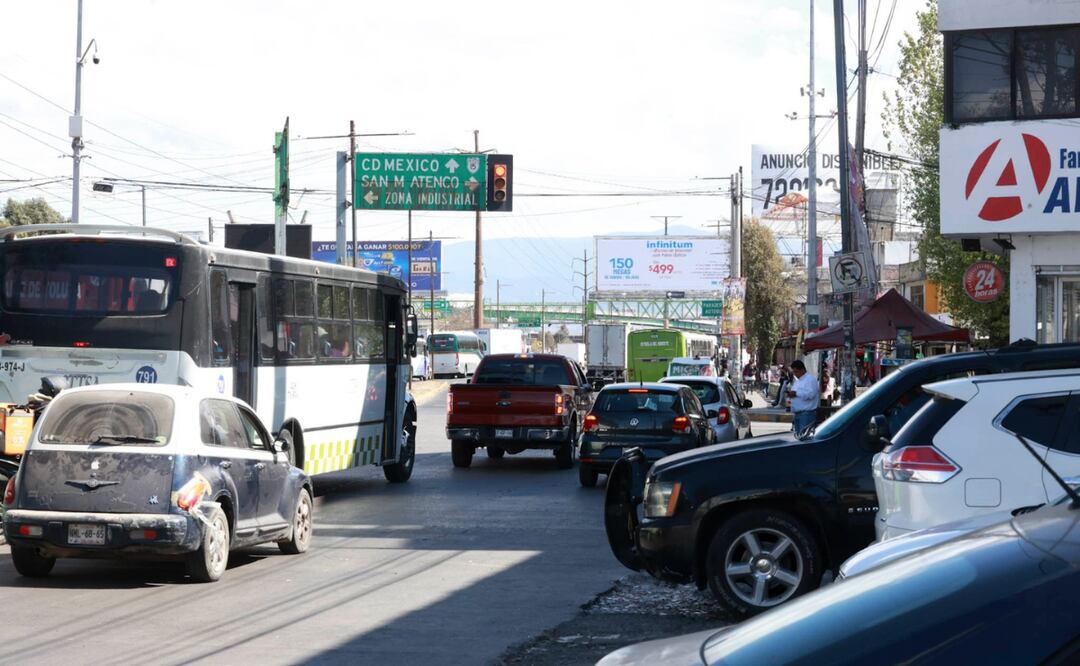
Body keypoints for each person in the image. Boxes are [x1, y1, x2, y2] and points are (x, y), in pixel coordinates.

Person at [787, 360, 820, 436]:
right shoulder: (798, 381)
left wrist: (796, 393)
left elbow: (811, 394)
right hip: (797, 413)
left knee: (804, 438)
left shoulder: (810, 379)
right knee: (798, 437)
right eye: (794, 372)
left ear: (802, 369)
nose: (795, 374)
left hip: (806, 414)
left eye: (797, 372)